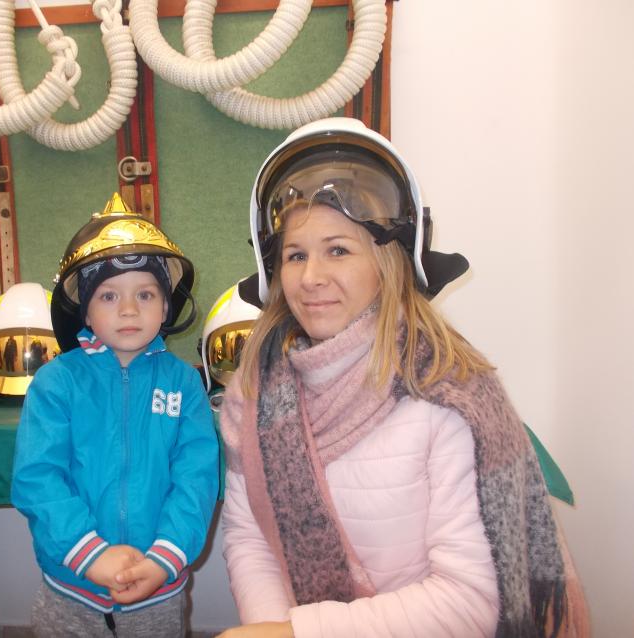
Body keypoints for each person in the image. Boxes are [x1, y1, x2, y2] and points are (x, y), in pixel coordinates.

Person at [217, 118, 589, 637]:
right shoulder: (255, 393)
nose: (311, 277)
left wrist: (296, 633)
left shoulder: (450, 393)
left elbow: (472, 600)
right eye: (295, 255)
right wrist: (271, 627)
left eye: (338, 250)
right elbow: (250, 536)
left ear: (387, 262)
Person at [12, 194, 219, 638]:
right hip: (70, 589)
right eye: (108, 295)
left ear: (166, 306)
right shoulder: (56, 383)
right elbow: (38, 478)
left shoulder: (184, 384)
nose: (129, 309)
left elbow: (196, 480)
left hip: (157, 586)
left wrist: (166, 556)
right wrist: (90, 554)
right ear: (85, 310)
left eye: (145, 294)